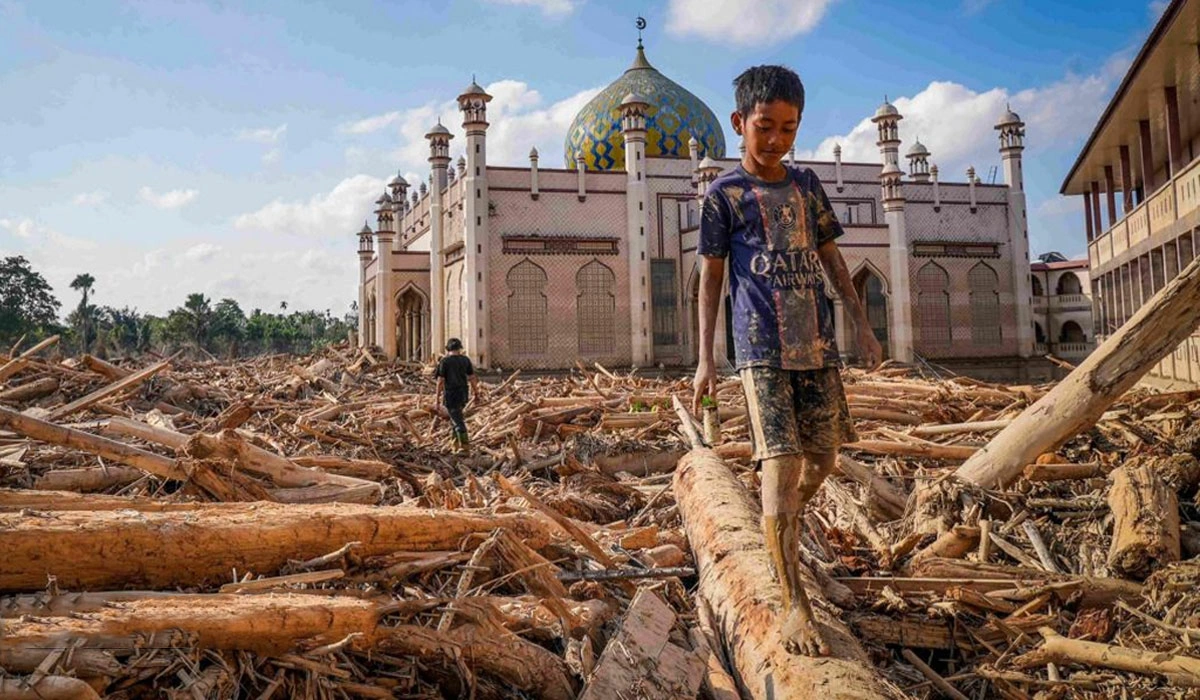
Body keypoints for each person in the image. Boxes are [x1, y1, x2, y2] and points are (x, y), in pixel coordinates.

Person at [691, 65, 882, 656]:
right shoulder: (723, 196)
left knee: (821, 459)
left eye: (788, 128)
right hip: (761, 349)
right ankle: (794, 604)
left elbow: (832, 260)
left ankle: (780, 518)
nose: (776, 140)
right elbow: (710, 279)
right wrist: (705, 360)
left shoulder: (807, 186)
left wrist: (862, 327)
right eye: (765, 127)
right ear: (738, 123)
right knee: (781, 463)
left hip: (817, 347)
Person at [435, 338, 480, 450]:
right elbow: (472, 378)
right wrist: (476, 393)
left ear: (448, 349)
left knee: (458, 421)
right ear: (459, 349)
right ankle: (454, 445)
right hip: (463, 394)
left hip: (451, 395)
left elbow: (440, 381)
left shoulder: (444, 362)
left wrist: (436, 399)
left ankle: (464, 447)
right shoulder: (465, 360)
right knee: (455, 418)